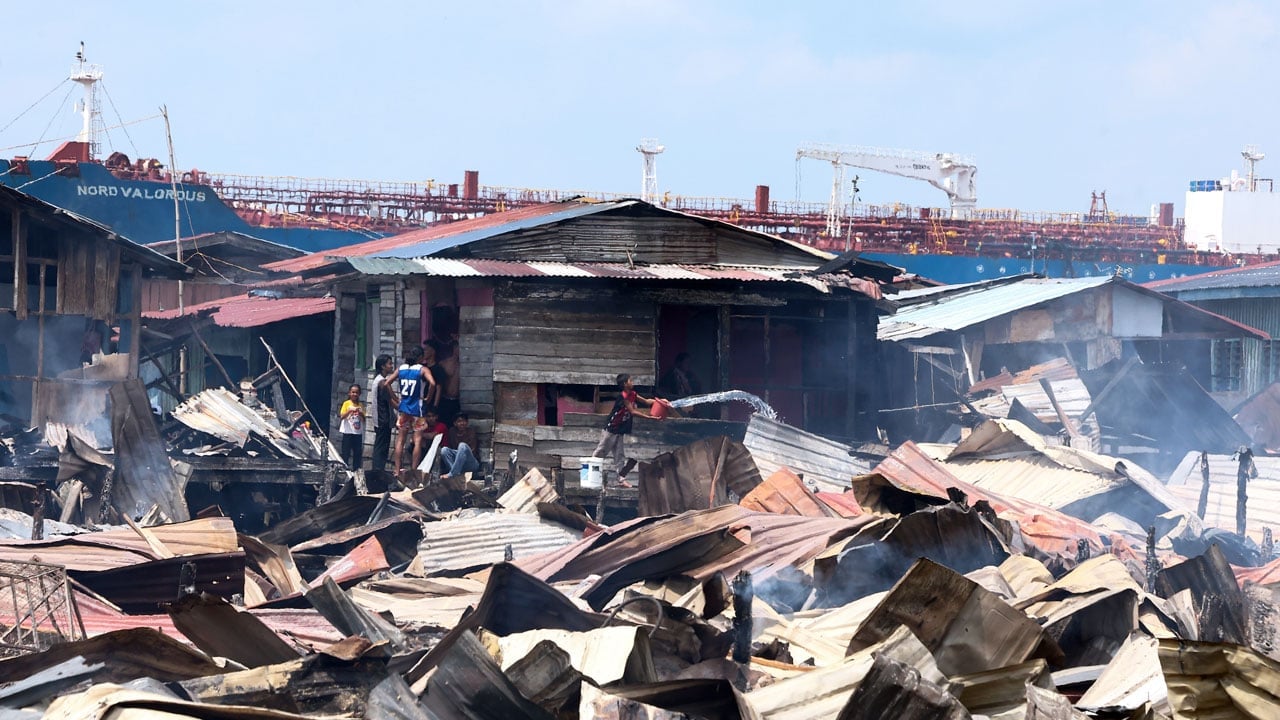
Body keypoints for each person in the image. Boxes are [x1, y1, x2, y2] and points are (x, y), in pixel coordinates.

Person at [592, 373, 656, 487]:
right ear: (625, 384)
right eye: (631, 381)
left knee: (619, 456)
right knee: (600, 451)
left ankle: (621, 480)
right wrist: (649, 417)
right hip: (611, 429)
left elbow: (646, 401)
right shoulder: (624, 396)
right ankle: (591, 477)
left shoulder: (633, 394)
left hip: (620, 430)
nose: (633, 382)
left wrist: (660, 401)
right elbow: (633, 412)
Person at [389, 346, 435, 475]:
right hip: (417, 408)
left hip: (404, 408)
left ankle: (397, 470)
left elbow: (387, 383)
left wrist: (396, 398)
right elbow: (432, 383)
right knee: (418, 440)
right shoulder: (422, 369)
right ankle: (414, 471)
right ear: (420, 357)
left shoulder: (401, 369)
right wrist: (428, 398)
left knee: (400, 440)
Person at [370, 355, 396, 472]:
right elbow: (391, 400)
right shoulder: (382, 382)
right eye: (389, 364)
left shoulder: (379, 380)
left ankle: (379, 469)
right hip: (382, 418)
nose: (391, 366)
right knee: (381, 446)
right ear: (382, 366)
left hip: (381, 418)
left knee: (381, 445)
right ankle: (377, 470)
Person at [441, 413, 480, 479]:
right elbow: (451, 449)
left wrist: (460, 455)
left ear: (467, 423)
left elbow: (472, 452)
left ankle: (452, 474)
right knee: (444, 450)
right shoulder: (452, 431)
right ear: (455, 423)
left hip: (470, 463)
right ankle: (455, 474)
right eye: (459, 421)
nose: (462, 423)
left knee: (462, 446)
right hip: (457, 464)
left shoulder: (471, 432)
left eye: (464, 421)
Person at [338, 384, 365, 470]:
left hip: (357, 433)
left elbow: (364, 419)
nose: (354, 394)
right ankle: (344, 468)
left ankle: (356, 469)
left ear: (359, 394)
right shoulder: (346, 404)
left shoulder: (360, 405)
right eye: (353, 392)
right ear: (349, 393)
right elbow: (342, 416)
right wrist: (349, 411)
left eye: (356, 392)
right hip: (347, 432)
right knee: (346, 452)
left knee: (357, 452)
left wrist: (360, 413)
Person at [417, 405, 449, 473]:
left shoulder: (441, 426)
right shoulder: (425, 426)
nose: (431, 418)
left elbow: (432, 436)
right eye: (428, 416)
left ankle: (435, 473)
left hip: (440, 452)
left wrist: (419, 434)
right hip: (427, 449)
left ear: (436, 417)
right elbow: (412, 440)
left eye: (433, 416)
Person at [437, 339, 462, 424]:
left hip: (459, 400)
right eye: (458, 347)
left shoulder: (465, 364)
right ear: (455, 348)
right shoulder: (444, 363)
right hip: (446, 399)